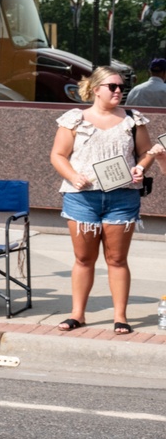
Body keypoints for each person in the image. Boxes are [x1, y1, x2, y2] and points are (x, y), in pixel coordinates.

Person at [50, 66, 156, 335]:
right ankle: (78, 314)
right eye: (113, 86)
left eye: (122, 87)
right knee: (84, 259)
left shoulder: (133, 120)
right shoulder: (74, 119)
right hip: (82, 198)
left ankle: (120, 316)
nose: (119, 91)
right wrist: (73, 177)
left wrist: (141, 168)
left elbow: (146, 153)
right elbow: (58, 155)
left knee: (117, 259)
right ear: (96, 89)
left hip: (122, 197)